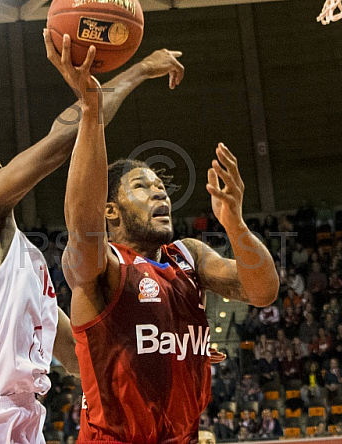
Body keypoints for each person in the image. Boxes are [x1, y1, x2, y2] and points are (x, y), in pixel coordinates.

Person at [0, 33, 188, 444]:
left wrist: (147, 369)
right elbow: (60, 141)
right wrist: (137, 71)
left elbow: (71, 349)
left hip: (21, 417)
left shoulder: (24, 261)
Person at [58, 38, 279, 444]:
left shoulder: (188, 256)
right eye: (142, 186)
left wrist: (235, 224)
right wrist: (92, 111)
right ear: (110, 210)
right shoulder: (102, 266)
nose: (160, 193)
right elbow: (81, 219)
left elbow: (262, 291)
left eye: (161, 186)